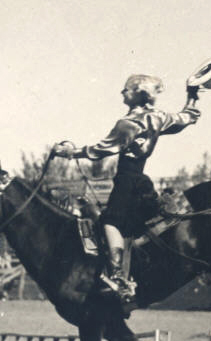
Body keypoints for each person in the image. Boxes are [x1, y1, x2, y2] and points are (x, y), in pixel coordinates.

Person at [52, 74, 201, 308]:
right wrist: (192, 94)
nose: (122, 93)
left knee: (110, 223)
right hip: (142, 180)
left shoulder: (128, 123)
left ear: (137, 93)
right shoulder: (158, 117)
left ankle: (119, 277)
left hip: (126, 181)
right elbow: (187, 118)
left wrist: (70, 152)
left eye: (126, 90)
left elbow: (99, 150)